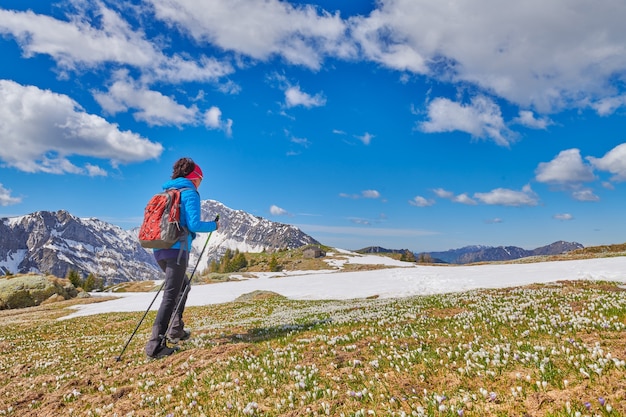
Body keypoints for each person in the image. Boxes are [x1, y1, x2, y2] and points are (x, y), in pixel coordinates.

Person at [145, 157, 218, 359]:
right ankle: (155, 346)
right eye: (201, 179)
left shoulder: (167, 193)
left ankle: (176, 329)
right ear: (195, 178)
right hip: (177, 250)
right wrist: (214, 225)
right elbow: (194, 225)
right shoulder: (190, 193)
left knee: (182, 286)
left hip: (158, 249)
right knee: (171, 294)